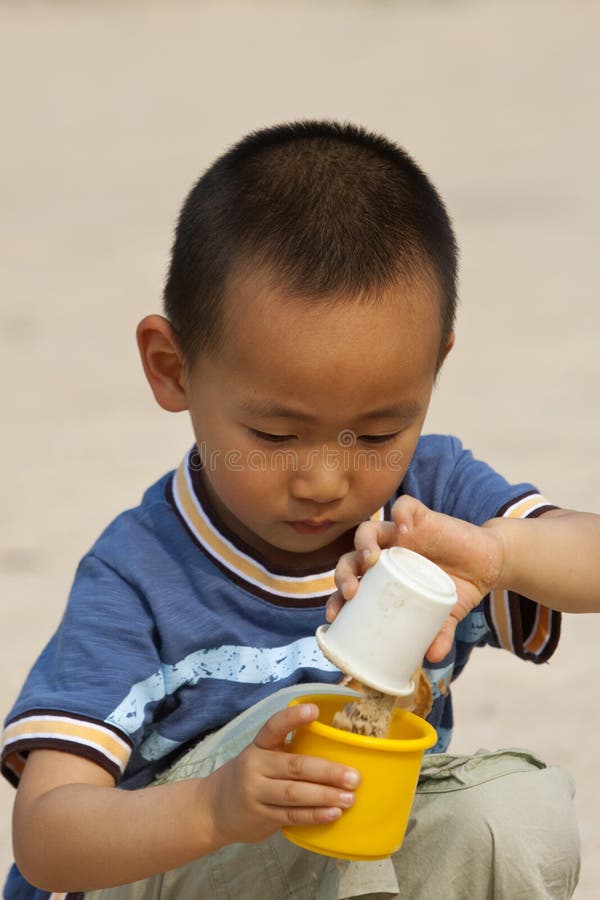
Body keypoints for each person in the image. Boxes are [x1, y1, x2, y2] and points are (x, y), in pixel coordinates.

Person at [1, 120, 596, 900]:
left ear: (434, 368)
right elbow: (47, 838)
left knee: (518, 814)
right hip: (162, 872)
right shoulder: (140, 574)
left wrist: (502, 555)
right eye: (275, 434)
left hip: (341, 863)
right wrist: (216, 808)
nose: (323, 479)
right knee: (314, 724)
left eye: (378, 431)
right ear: (172, 368)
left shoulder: (430, 501)